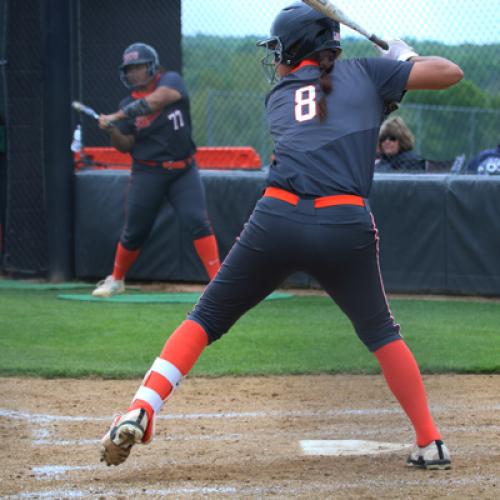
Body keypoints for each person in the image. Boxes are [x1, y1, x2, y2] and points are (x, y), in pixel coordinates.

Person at [99, 4, 463, 470]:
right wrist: (402, 56)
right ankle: (430, 440)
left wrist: (389, 68)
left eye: (280, 48)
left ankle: (144, 407)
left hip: (277, 219)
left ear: (297, 49)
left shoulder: (280, 93)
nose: (277, 57)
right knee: (381, 333)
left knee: (206, 316)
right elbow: (449, 73)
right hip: (345, 224)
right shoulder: (369, 72)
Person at [92, 43, 221, 297]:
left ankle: (219, 283)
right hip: (147, 172)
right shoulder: (127, 103)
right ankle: (116, 279)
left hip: (183, 170)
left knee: (197, 221)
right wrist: (112, 130)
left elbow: (157, 100)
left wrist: (116, 116)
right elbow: (125, 145)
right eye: (129, 70)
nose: (133, 74)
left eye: (138, 67)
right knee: (134, 231)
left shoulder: (171, 81)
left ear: (151, 66)